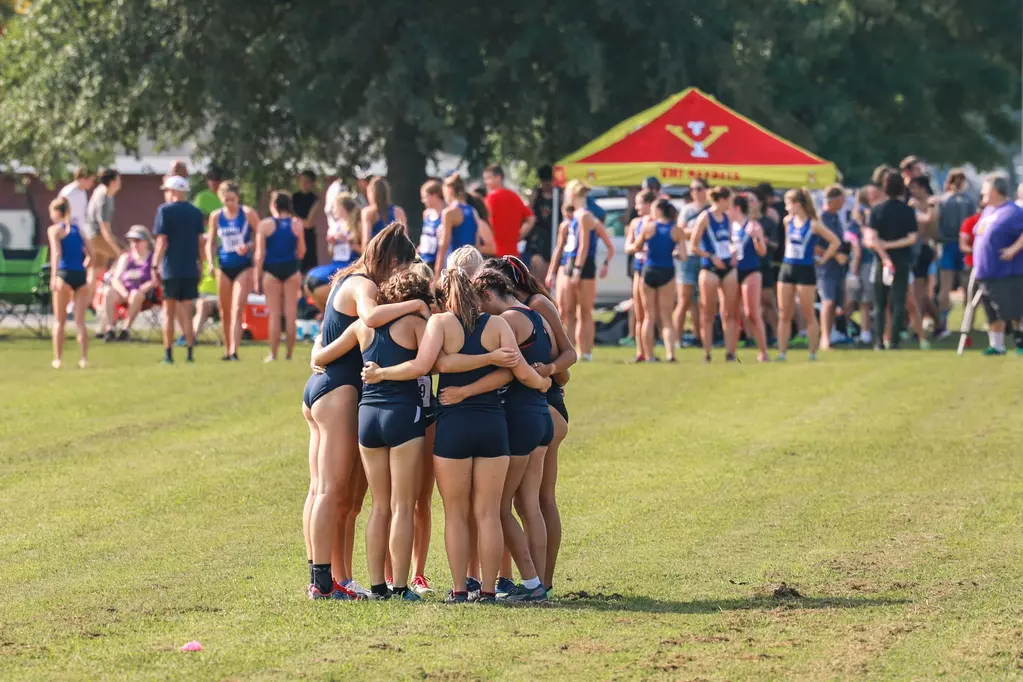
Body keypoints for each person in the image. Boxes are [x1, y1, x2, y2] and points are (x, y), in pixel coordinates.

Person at [362, 266, 547, 603]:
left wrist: (381, 373)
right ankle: (489, 591)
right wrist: (542, 381)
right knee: (489, 513)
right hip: (493, 424)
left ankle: (461, 590)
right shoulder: (499, 324)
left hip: (453, 424)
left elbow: (426, 366)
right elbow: (511, 373)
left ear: (443, 296)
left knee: (456, 513)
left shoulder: (440, 323)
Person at [302, 224, 424, 600]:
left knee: (321, 490)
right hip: (338, 391)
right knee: (330, 489)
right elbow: (370, 318)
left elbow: (334, 337)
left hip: (322, 389)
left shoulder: (346, 280)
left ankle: (326, 576)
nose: (400, 278)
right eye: (402, 268)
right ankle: (322, 583)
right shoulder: (364, 284)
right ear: (390, 260)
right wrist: (417, 305)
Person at [446, 266, 556, 603]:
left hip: (520, 417)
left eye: (481, 305)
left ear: (489, 295)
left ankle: (533, 583)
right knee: (531, 504)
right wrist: (547, 380)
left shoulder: (506, 320)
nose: (479, 314)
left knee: (500, 508)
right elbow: (552, 362)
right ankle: (540, 582)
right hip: (541, 416)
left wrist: (537, 380)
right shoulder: (536, 314)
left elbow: (514, 371)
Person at [487, 255, 574, 596]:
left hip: (545, 404)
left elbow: (567, 358)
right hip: (544, 407)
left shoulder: (535, 306)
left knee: (535, 501)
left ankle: (540, 581)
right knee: (535, 501)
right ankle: (540, 583)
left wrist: (546, 372)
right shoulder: (525, 310)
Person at [349, 270, 434, 600]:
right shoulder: (415, 324)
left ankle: (376, 586)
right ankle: (400, 586)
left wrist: (316, 359)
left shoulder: (362, 326)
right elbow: (432, 363)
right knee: (402, 505)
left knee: (379, 506)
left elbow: (324, 353)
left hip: (367, 416)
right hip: (403, 413)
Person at [776, 188, 841, 361]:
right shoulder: (787, 221)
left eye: (788, 204)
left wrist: (823, 258)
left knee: (808, 312)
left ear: (798, 204)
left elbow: (835, 241)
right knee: (784, 312)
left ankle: (812, 353)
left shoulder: (813, 224)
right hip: (787, 267)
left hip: (805, 270)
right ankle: (782, 353)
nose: (786, 207)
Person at [556, 179, 613, 361]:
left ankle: (585, 352)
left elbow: (584, 246)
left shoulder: (584, 216)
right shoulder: (576, 216)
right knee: (568, 311)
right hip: (572, 263)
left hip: (582, 265)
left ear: (572, 195)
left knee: (584, 311)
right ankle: (570, 350)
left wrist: (578, 269)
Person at [152, 175, 206, 364]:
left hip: (171, 268)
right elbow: (201, 242)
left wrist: (154, 264)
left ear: (173, 191)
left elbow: (162, 241)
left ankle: (168, 354)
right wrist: (202, 264)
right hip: (190, 268)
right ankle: (190, 353)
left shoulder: (164, 211)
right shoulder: (195, 212)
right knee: (187, 311)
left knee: (169, 312)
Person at [864, 173, 918, 350]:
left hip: (881, 261)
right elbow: (911, 238)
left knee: (879, 302)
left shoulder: (877, 210)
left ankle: (879, 340)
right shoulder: (907, 211)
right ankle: (893, 340)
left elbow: (872, 238)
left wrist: (884, 253)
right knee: (898, 301)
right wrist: (893, 245)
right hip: (902, 259)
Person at [206, 182, 259, 361]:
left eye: (233, 199)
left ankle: (235, 350)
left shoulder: (248, 214)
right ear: (221, 199)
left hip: (244, 266)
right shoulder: (216, 216)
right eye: (226, 200)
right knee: (224, 309)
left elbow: (260, 237)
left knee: (237, 307)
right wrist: (211, 263)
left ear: (238, 197)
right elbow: (211, 241)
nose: (230, 203)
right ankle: (227, 349)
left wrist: (249, 245)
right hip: (224, 265)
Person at [971, 174, 1023, 355]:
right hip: (986, 272)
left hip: (1006, 273)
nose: (981, 192)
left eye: (984, 189)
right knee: (991, 313)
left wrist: (1013, 249)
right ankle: (997, 345)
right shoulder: (988, 211)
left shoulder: (1014, 211)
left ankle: (1020, 343)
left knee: (1014, 311)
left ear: (994, 191)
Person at [689, 186, 740, 362]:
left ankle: (730, 352)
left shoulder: (727, 217)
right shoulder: (705, 217)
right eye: (729, 200)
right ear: (722, 200)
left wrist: (733, 252)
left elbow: (731, 240)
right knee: (707, 311)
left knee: (730, 312)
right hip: (710, 267)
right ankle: (707, 352)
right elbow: (693, 245)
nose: (730, 204)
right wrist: (710, 256)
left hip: (727, 266)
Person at [255, 191, 306, 362]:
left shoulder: (265, 225)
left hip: (271, 271)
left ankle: (274, 354)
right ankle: (289, 354)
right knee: (291, 314)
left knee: (274, 314)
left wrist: (257, 278)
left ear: (273, 205)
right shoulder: (297, 224)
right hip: (292, 269)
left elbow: (259, 255)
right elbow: (301, 252)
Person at [633, 198, 682, 362]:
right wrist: (674, 253)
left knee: (649, 316)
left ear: (659, 210)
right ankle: (670, 354)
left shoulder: (648, 227)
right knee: (666, 316)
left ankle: (650, 355)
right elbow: (683, 255)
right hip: (667, 270)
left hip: (649, 270)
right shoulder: (675, 229)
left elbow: (637, 247)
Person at [46, 197, 92, 369]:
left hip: (63, 275)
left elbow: (56, 253)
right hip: (80, 275)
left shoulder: (54, 230)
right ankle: (83, 359)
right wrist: (85, 266)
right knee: (80, 322)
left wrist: (53, 276)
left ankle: (57, 359)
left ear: (57, 212)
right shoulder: (78, 230)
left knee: (59, 321)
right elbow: (91, 254)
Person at [730, 194, 770, 362]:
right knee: (731, 313)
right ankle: (731, 352)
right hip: (732, 271)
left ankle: (763, 351)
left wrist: (756, 238)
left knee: (752, 312)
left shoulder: (753, 225)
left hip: (751, 271)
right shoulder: (729, 226)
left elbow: (762, 252)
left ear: (737, 208)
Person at [936, 170, 975, 337]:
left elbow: (937, 225)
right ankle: (968, 324)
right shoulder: (968, 201)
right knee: (968, 286)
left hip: (948, 244)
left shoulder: (943, 200)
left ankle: (943, 322)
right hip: (965, 245)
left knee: (945, 286)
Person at [306, 193, 361, 312]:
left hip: (350, 263)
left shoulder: (357, 225)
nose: (333, 211)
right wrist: (332, 242)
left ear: (342, 207)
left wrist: (346, 240)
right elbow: (331, 253)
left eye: (335, 207)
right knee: (309, 280)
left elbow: (363, 249)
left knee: (317, 286)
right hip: (336, 262)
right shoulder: (336, 226)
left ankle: (332, 313)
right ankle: (325, 314)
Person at [100, 226, 156, 341]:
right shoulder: (126, 258)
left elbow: (155, 280)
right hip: (124, 292)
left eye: (138, 241)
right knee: (108, 292)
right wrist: (124, 293)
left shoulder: (152, 258)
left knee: (135, 294)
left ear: (146, 242)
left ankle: (126, 330)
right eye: (132, 241)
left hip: (143, 295)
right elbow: (116, 279)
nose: (134, 244)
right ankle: (110, 329)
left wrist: (141, 289)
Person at [436, 174, 495, 270]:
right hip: (471, 264)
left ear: (449, 190)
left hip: (454, 265)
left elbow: (444, 245)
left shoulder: (449, 213)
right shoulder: (473, 211)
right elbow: (476, 243)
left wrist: (438, 271)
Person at [674, 179, 708, 346]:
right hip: (688, 256)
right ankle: (676, 339)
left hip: (705, 256)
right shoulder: (687, 210)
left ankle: (700, 336)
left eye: (699, 188)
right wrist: (699, 230)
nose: (695, 192)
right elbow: (680, 232)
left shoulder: (710, 210)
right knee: (685, 299)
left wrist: (693, 232)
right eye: (692, 189)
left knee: (703, 301)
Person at [817, 185, 850, 351]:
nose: (844, 203)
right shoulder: (821, 219)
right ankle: (824, 338)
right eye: (842, 199)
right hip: (825, 267)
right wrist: (836, 255)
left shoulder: (836, 218)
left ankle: (830, 335)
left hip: (838, 268)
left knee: (837, 304)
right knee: (828, 302)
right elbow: (815, 246)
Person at [908, 176, 939, 347]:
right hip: (918, 249)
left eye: (915, 187)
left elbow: (931, 223)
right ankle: (935, 323)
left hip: (924, 250)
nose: (912, 191)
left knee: (919, 292)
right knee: (920, 293)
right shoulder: (917, 204)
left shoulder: (930, 204)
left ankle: (918, 327)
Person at [846, 187, 878, 346]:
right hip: (875, 261)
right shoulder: (874, 215)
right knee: (874, 301)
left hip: (863, 264)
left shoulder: (855, 223)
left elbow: (856, 251)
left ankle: (865, 332)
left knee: (863, 302)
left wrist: (852, 272)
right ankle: (875, 332)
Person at [625, 190, 654, 361]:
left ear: (649, 204)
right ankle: (640, 352)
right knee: (640, 313)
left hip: (656, 269)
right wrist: (637, 246)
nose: (636, 207)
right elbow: (628, 246)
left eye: (640, 203)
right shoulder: (636, 223)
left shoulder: (657, 222)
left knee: (653, 313)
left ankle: (654, 352)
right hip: (639, 268)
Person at [483, 164, 535, 259]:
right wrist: (519, 236)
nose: (486, 182)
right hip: (514, 255)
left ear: (498, 177)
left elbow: (483, 223)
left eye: (488, 178)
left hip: (495, 254)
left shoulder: (489, 199)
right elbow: (531, 218)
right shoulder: (515, 196)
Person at [84, 168, 122, 294]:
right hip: (96, 236)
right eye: (118, 179)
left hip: (91, 236)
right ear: (112, 182)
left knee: (96, 269)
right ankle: (111, 281)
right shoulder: (105, 197)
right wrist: (118, 251)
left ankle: (89, 301)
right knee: (125, 255)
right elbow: (104, 229)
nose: (120, 181)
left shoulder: (102, 190)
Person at [525, 166, 555, 282]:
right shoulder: (536, 194)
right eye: (544, 182)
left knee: (549, 269)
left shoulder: (559, 194)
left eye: (548, 182)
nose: (546, 185)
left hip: (552, 235)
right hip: (538, 237)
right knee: (536, 264)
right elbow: (528, 212)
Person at [360, 177, 407, 248]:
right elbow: (405, 237)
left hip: (376, 253)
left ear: (371, 193)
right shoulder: (398, 211)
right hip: (394, 253)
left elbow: (366, 239)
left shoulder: (368, 212)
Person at [293, 170, 322, 273]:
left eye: (307, 181)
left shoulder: (315, 199)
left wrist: (295, 219)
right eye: (302, 181)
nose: (304, 184)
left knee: (309, 269)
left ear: (312, 183)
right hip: (294, 237)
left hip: (308, 237)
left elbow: (309, 224)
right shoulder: (293, 198)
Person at [58, 166, 95, 234]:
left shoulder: (83, 192)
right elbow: (59, 213)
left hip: (79, 232)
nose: (92, 183)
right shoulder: (67, 192)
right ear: (83, 178)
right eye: (91, 180)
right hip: (67, 232)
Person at [419, 179, 444, 268]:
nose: (423, 200)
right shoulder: (426, 214)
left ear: (435, 195)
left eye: (425, 197)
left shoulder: (445, 215)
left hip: (437, 261)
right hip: (424, 259)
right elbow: (425, 238)